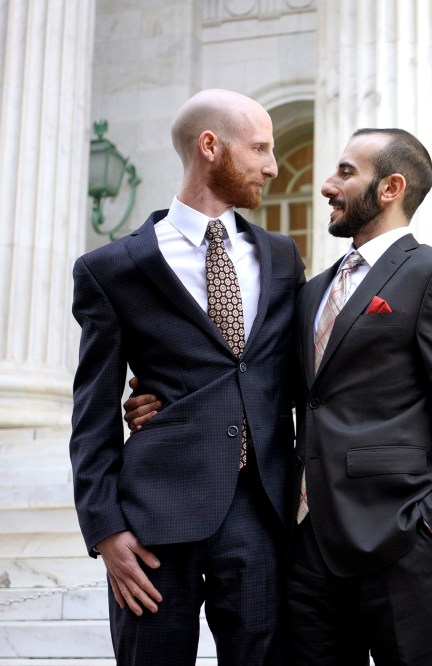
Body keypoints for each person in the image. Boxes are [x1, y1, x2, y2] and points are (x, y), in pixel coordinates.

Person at [69, 89, 305, 665]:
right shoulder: (113, 269)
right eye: (261, 149)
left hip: (261, 513)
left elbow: (289, 378)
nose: (273, 166)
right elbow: (92, 411)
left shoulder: (282, 258)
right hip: (152, 522)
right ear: (210, 147)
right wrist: (104, 529)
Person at [286, 128, 432, 665]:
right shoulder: (313, 291)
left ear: (390, 187)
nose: (327, 186)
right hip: (308, 546)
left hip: (404, 541)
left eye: (345, 172)